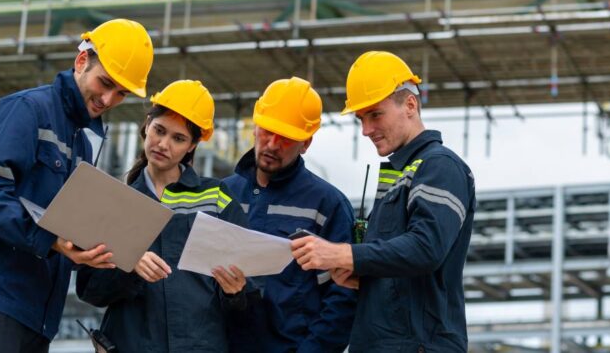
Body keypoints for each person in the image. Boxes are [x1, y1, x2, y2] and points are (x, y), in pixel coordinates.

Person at [0, 19, 154, 352]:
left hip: (35, 318)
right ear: (82, 62)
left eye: (121, 93)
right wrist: (52, 239)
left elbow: (66, 225)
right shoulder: (25, 111)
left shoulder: (80, 143)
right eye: (106, 83)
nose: (109, 99)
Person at [290, 51, 476, 352]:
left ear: (410, 105)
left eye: (375, 114)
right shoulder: (400, 176)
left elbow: (426, 248)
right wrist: (364, 279)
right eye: (362, 119)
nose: (366, 130)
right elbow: (404, 268)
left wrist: (344, 255)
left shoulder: (440, 166)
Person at [76, 80, 250, 352]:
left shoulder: (216, 198)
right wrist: (128, 261)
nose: (163, 144)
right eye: (159, 131)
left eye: (178, 138)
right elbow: (91, 291)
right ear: (147, 124)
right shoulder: (116, 202)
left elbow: (250, 289)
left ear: (192, 146)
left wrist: (236, 292)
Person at [224, 77, 356, 353]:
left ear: (306, 143)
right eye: (267, 131)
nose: (272, 144)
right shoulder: (223, 193)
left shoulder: (326, 205)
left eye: (286, 138)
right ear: (256, 126)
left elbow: (342, 297)